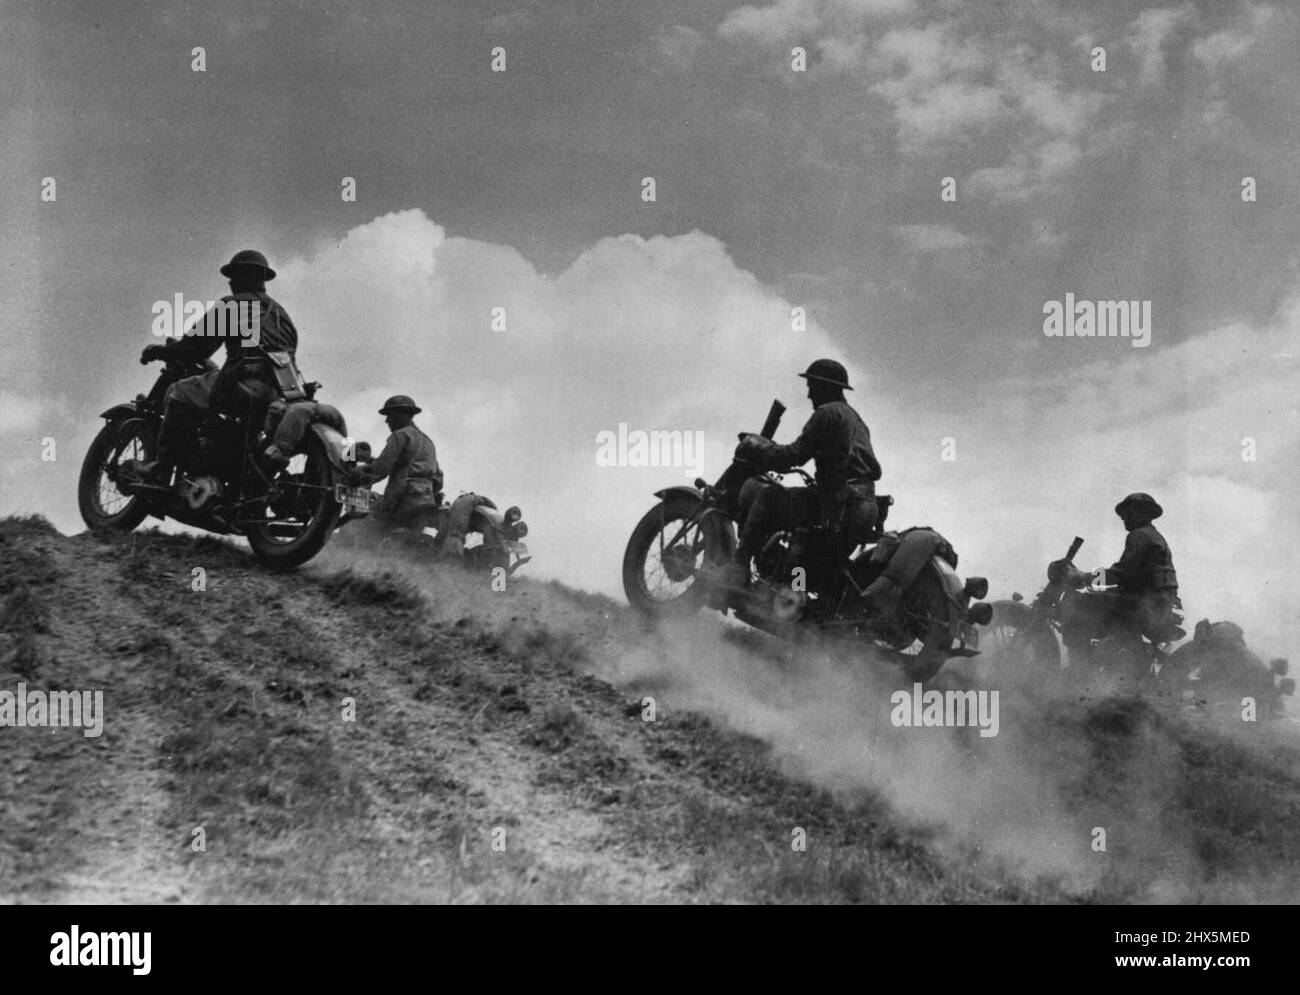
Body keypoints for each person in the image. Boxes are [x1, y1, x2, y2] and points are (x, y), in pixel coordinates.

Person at [129, 249, 299, 483]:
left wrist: (161, 351)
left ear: (247, 276)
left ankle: (161, 469)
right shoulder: (282, 315)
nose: (230, 281)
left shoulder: (232, 305)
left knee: (179, 391)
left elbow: (195, 348)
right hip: (278, 396)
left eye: (235, 274)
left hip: (244, 384)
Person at [724, 358, 882, 591]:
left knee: (767, 496)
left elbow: (793, 456)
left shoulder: (826, 413)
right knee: (804, 525)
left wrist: (760, 448)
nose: (808, 394)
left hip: (839, 503)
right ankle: (792, 583)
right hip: (864, 507)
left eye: (811, 386)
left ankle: (738, 570)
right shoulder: (856, 419)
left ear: (823, 387)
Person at [350, 395, 443, 531]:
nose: (387, 421)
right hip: (425, 504)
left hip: (402, 500)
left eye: (390, 415)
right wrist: (370, 460)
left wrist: (354, 476)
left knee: (359, 521)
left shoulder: (400, 435)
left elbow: (381, 469)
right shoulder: (427, 441)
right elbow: (438, 478)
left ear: (402, 415)